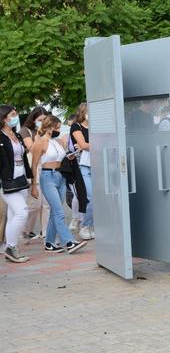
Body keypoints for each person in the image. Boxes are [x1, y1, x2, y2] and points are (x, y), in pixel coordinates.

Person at [30, 116, 87, 255]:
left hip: (60, 177)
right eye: (57, 127)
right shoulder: (40, 143)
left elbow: (61, 159)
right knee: (59, 212)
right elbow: (34, 164)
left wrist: (70, 156)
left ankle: (49, 242)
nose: (59, 130)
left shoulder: (57, 142)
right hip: (47, 177)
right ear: (50, 126)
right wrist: (34, 185)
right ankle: (69, 241)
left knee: (55, 213)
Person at [1, 105, 34, 263]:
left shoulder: (16, 135)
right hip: (6, 181)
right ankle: (10, 246)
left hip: (21, 179)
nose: (15, 117)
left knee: (13, 215)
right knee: (22, 212)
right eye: (12, 114)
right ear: (4, 118)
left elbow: (23, 157)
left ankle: (11, 248)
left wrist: (30, 177)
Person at [20, 106, 50, 240]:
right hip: (34, 168)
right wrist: (38, 134)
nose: (42, 122)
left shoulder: (48, 131)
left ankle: (46, 232)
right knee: (35, 205)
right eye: (40, 119)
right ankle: (25, 229)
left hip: (47, 167)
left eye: (45, 119)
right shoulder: (25, 131)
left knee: (47, 204)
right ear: (33, 119)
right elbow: (32, 149)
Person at [70, 103, 94, 240]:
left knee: (97, 198)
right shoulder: (76, 126)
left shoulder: (96, 126)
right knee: (89, 197)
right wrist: (86, 145)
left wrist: (87, 145)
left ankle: (90, 226)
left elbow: (86, 145)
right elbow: (83, 145)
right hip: (83, 165)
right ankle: (85, 226)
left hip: (97, 164)